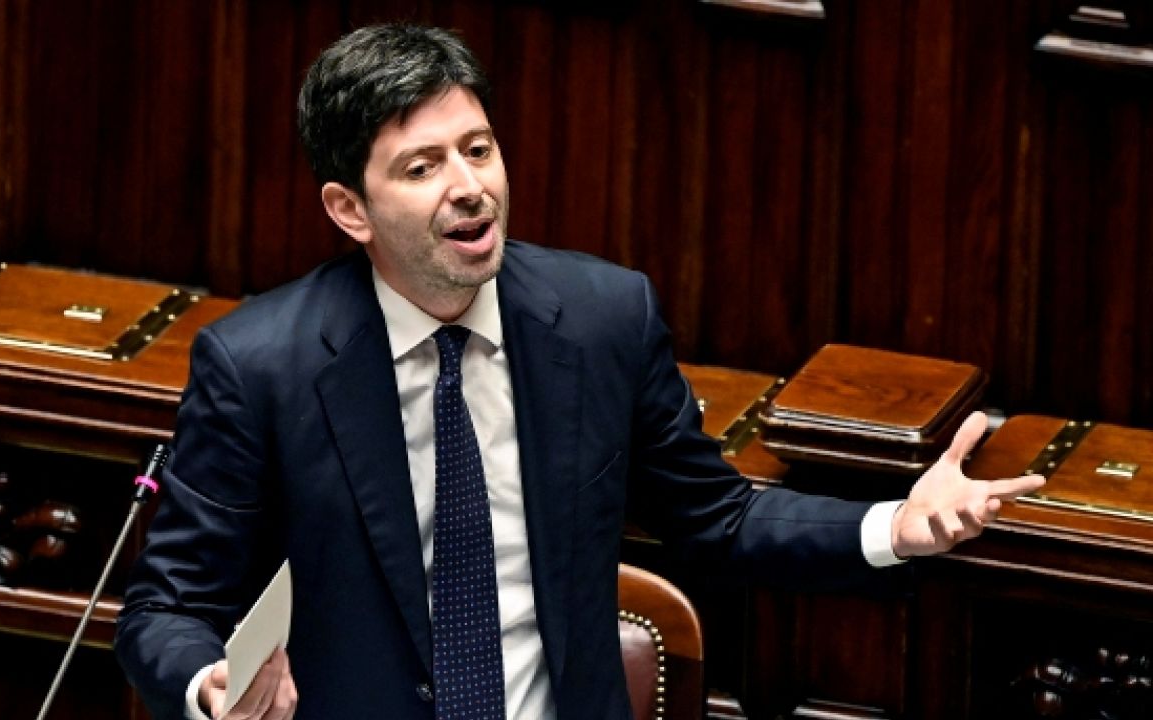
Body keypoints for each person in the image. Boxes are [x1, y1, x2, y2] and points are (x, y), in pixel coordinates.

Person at [114, 23, 1044, 720]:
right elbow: (166, 605)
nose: (470, 186)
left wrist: (894, 527)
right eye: (423, 167)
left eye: (479, 149)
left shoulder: (602, 321)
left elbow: (716, 518)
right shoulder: (261, 367)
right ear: (349, 208)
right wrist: (208, 686)